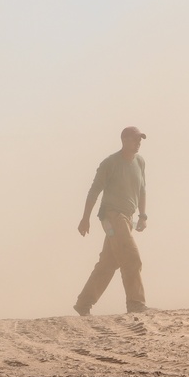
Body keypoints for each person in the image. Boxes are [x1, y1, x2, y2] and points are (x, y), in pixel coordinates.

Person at [74, 126, 150, 316]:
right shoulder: (110, 163)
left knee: (109, 262)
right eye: (135, 139)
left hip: (128, 218)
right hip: (111, 218)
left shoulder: (140, 162)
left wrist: (142, 216)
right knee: (132, 257)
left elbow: (142, 190)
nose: (138, 142)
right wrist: (85, 218)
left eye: (140, 139)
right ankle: (136, 304)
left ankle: (84, 303)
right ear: (124, 140)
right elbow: (94, 191)